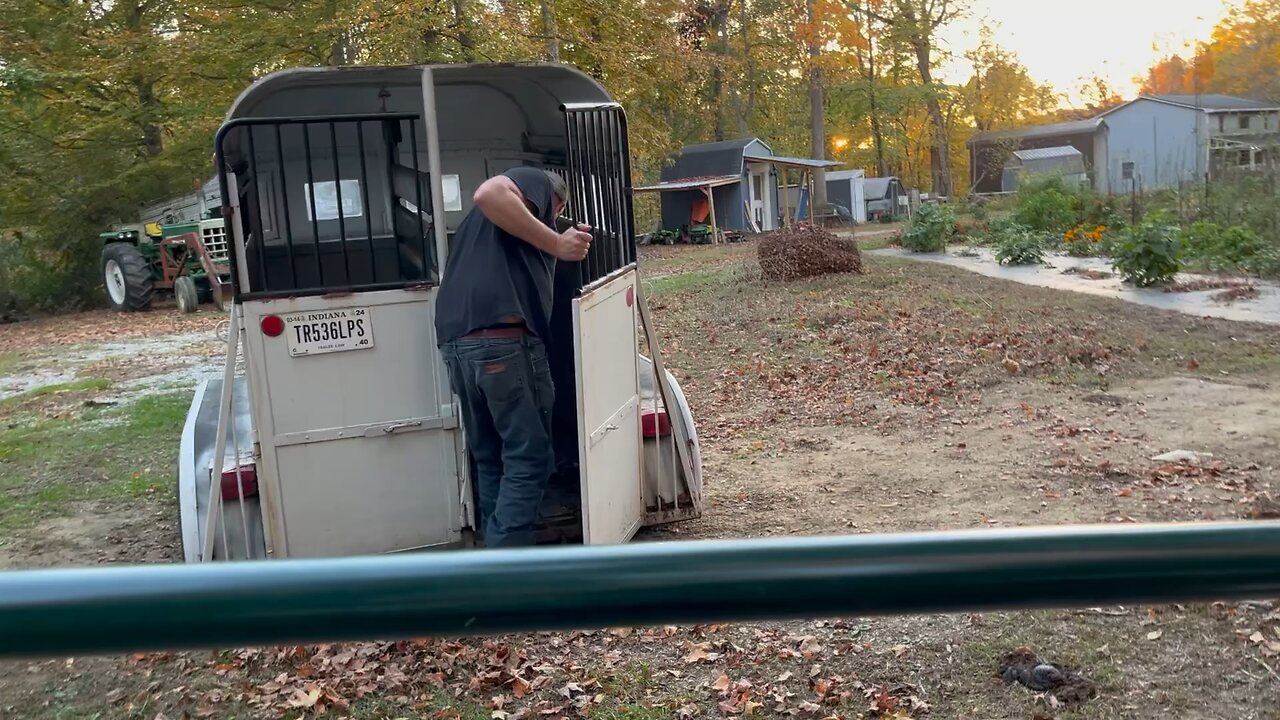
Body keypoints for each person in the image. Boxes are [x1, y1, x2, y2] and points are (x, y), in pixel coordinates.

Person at [434, 167, 592, 548]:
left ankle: (492, 558)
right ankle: (505, 569)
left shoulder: (477, 234)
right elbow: (488, 192)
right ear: (556, 203)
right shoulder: (535, 184)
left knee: (491, 459)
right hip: (505, 343)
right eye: (557, 212)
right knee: (530, 459)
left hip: (457, 344)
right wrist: (557, 243)